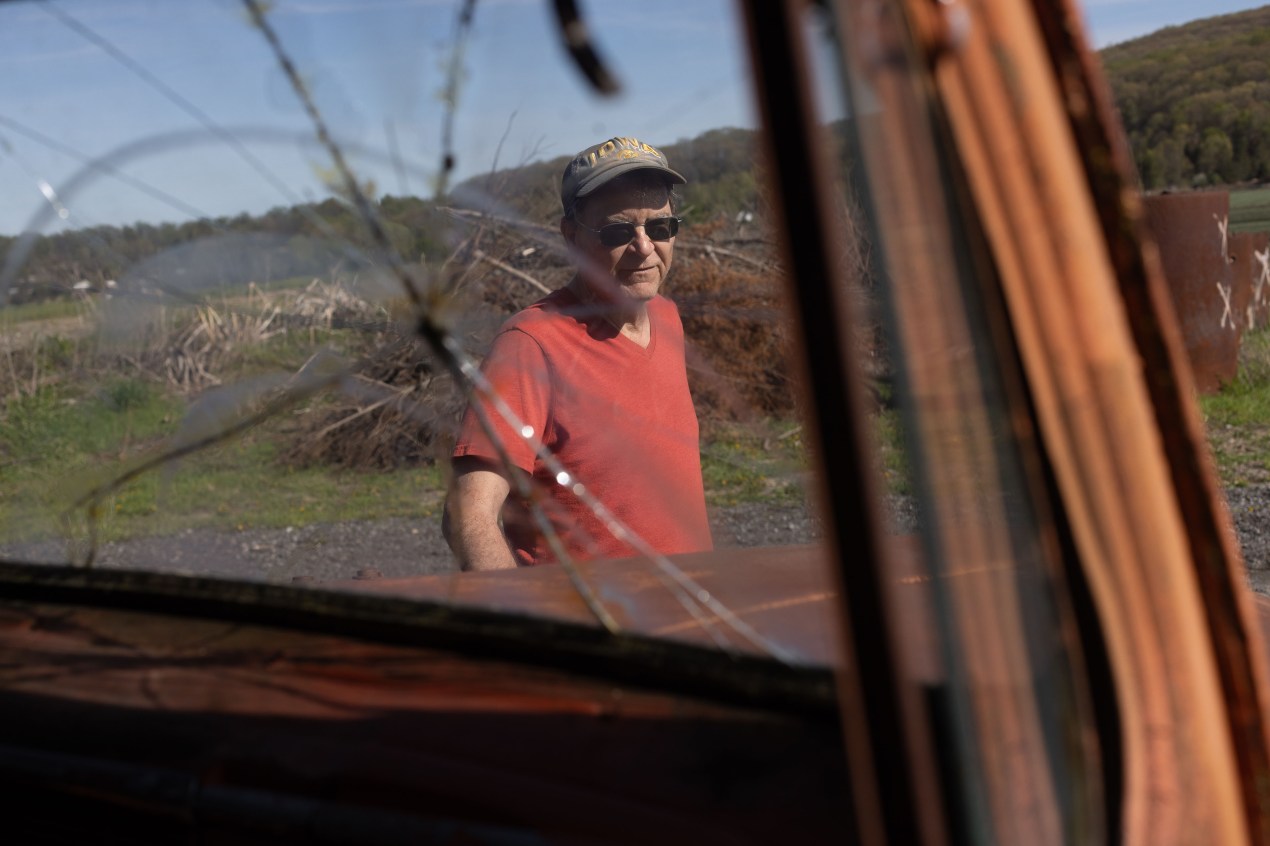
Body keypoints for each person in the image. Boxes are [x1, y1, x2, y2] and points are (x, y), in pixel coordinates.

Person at [445, 136, 713, 570]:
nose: (644, 247)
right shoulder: (531, 345)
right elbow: (467, 515)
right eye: (618, 232)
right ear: (571, 237)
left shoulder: (666, 317)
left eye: (661, 227)